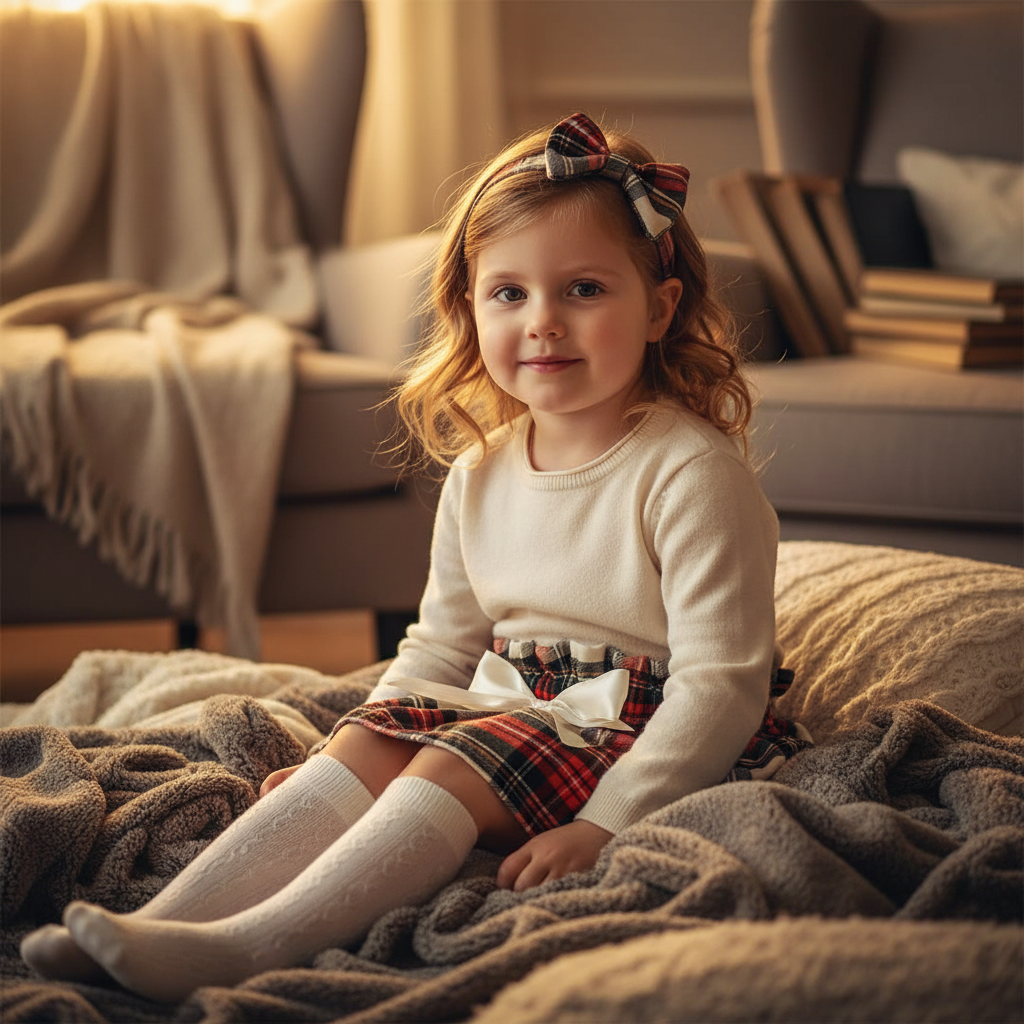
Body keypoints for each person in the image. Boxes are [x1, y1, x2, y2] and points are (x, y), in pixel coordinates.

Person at [21, 112, 810, 1002]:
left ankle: (247, 948)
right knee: (371, 735)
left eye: (584, 289)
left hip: (640, 725)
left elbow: (721, 685)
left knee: (447, 760)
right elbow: (439, 648)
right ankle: (156, 926)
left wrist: (606, 823)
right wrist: (351, 757)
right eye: (509, 293)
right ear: (471, 309)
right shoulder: (481, 471)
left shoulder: (690, 472)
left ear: (660, 307)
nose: (543, 322)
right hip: (512, 705)